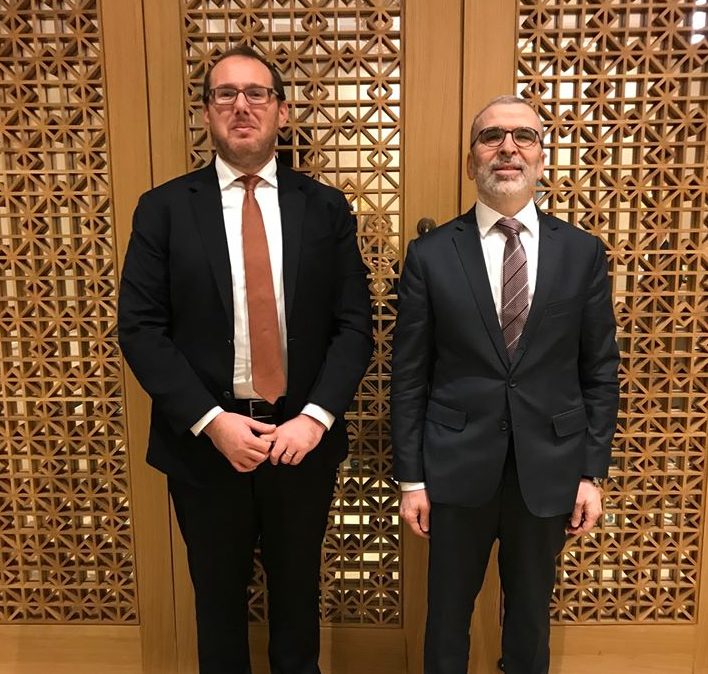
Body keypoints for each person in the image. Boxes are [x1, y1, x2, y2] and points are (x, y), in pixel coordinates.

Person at [118, 46, 373, 674]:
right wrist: (212, 423)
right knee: (217, 608)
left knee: (297, 601)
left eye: (257, 93)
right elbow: (141, 329)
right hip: (205, 445)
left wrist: (314, 419)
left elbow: (354, 326)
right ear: (207, 112)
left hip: (300, 442)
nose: (241, 106)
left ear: (281, 111)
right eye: (225, 94)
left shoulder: (325, 208)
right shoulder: (164, 209)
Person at [391, 95, 619, 674]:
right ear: (471, 160)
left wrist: (591, 472)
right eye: (491, 136)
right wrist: (412, 479)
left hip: (549, 468)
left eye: (524, 136)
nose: (507, 148)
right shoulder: (430, 255)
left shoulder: (582, 253)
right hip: (454, 467)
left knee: (530, 619)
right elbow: (410, 376)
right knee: (446, 618)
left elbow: (599, 371)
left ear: (542, 157)